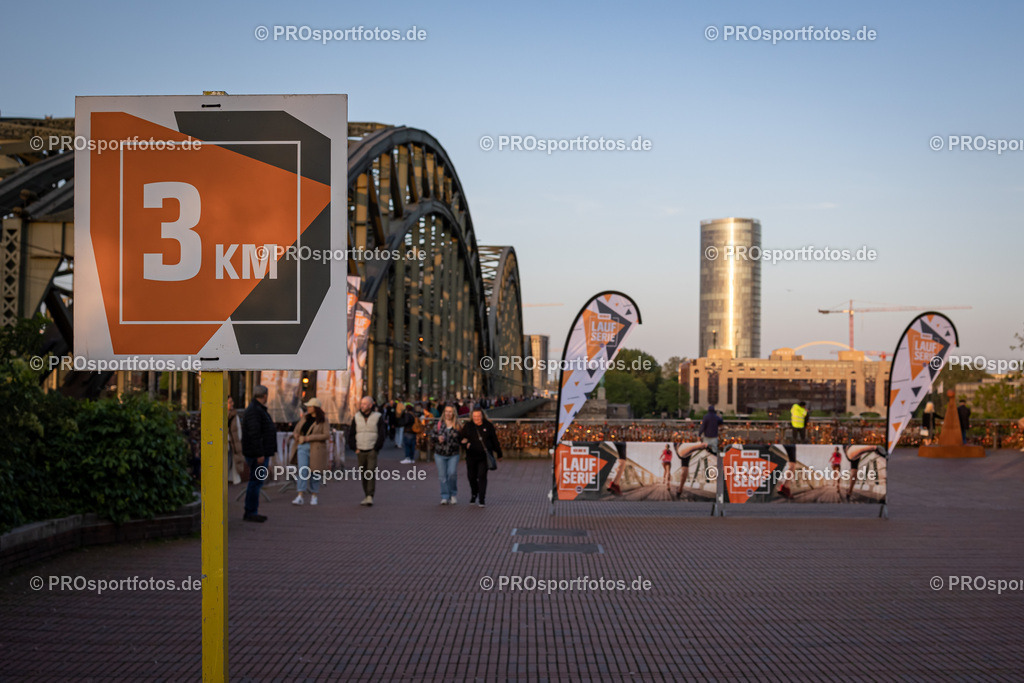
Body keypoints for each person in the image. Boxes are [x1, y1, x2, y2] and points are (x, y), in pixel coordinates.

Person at [241, 384, 277, 522]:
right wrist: (259, 453)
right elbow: (254, 434)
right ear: (265, 395)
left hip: (259, 452)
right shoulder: (255, 411)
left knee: (256, 481)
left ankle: (251, 510)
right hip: (258, 453)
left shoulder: (255, 410)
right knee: (255, 482)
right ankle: (251, 511)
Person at [289, 397, 330, 506]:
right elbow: (296, 429)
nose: (308, 408)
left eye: (310, 406)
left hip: (316, 448)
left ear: (315, 408)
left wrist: (309, 438)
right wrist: (296, 435)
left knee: (315, 472)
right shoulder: (305, 418)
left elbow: (326, 435)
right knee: (302, 470)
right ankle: (300, 495)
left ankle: (314, 495)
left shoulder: (323, 420)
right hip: (302, 447)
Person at [459, 408, 503, 507]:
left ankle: (482, 498)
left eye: (478, 416)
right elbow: (461, 438)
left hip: (484, 456)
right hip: (471, 456)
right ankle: (474, 493)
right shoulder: (468, 426)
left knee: (482, 476)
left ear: (482, 416)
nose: (477, 418)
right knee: (471, 477)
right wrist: (465, 445)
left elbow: (494, 440)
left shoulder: (488, 426)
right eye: (474, 417)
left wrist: (499, 454)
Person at [347, 395, 386, 506]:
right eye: (361, 404)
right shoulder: (357, 417)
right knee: (363, 473)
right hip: (360, 449)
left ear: (370, 405)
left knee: (370, 471)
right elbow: (352, 433)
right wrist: (354, 448)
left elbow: (382, 433)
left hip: (372, 449)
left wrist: (376, 447)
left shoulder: (378, 417)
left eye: (365, 404)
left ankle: (370, 495)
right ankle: (366, 494)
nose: (362, 406)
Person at [431, 405, 462, 505]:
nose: (448, 414)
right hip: (440, 454)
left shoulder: (457, 425)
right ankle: (444, 496)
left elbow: (462, 437)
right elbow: (431, 435)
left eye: (450, 411)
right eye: (446, 411)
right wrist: (438, 438)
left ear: (454, 413)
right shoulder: (439, 424)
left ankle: (453, 494)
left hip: (453, 454)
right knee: (442, 476)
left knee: (452, 473)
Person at [226, 396, 243, 485]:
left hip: (232, 442)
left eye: (232, 402)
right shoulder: (220, 415)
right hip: (226, 443)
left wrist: (238, 440)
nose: (232, 404)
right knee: (226, 461)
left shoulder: (234, 415)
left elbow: (238, 429)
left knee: (233, 461)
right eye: (230, 402)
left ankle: (230, 478)